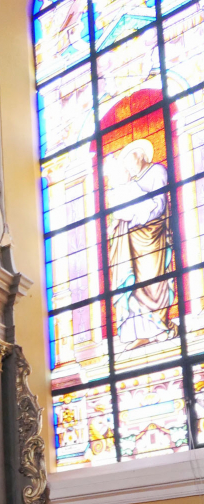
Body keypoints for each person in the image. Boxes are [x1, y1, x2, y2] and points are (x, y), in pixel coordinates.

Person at [107, 139, 175, 350]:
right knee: (133, 283)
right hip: (130, 240)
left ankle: (159, 326)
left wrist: (134, 214)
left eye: (131, 158)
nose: (128, 164)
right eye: (125, 161)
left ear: (143, 155)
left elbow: (159, 206)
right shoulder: (130, 183)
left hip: (152, 237)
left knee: (153, 281)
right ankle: (140, 332)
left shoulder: (157, 172)